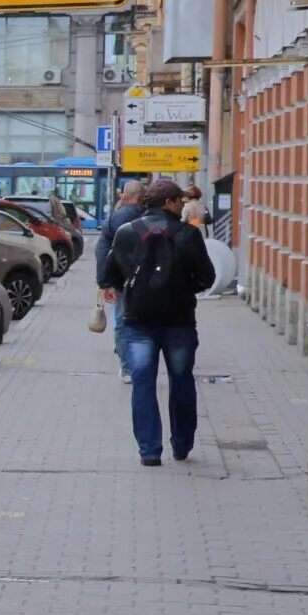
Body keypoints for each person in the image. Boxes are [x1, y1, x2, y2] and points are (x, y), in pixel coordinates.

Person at [101, 178, 218, 467]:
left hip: (138, 321)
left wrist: (133, 288)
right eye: (178, 200)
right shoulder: (187, 235)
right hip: (179, 321)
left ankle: (150, 452)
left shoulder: (127, 233)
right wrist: (184, 286)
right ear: (168, 203)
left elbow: (112, 275)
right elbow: (207, 278)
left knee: (142, 383)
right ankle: (181, 445)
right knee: (181, 381)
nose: (182, 205)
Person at [95, 178, 150, 378]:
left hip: (120, 279)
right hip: (146, 280)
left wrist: (103, 282)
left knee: (121, 320)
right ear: (142, 197)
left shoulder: (114, 219)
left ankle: (127, 368)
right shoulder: (150, 218)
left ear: (125, 196)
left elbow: (101, 251)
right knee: (144, 321)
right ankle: (142, 364)